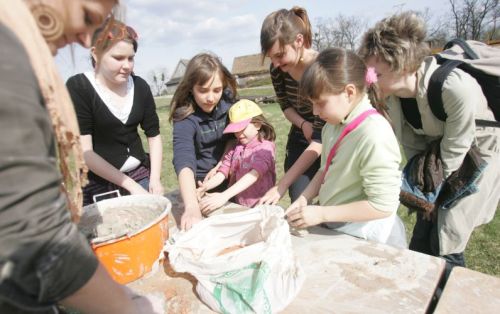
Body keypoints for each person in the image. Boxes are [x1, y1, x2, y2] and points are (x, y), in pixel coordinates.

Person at [0, 1, 160, 313]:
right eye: (87, 18)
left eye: (131, 57)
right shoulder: (9, 54)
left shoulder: (17, 46)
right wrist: (130, 307)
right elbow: (38, 238)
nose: (85, 40)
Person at [358, 12, 500, 269]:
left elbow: (457, 145)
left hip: (480, 152)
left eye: (374, 72)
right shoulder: (394, 97)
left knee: (449, 231)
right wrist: (423, 190)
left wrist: (432, 190)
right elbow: (413, 146)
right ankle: (422, 282)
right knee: (425, 227)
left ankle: (451, 292)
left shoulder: (454, 87)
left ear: (398, 63)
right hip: (443, 153)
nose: (369, 78)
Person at [285, 48, 406, 247]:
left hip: (370, 237)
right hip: (339, 227)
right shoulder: (332, 125)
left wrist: (322, 213)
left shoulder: (374, 134)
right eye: (312, 104)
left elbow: (382, 205)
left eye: (320, 103)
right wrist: (304, 198)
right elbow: (325, 169)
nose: (315, 112)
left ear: (349, 92)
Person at [66, 18, 163, 206]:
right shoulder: (80, 87)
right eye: (118, 58)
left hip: (141, 175)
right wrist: (131, 186)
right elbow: (85, 152)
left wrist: (155, 179)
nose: (127, 65)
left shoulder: (140, 86)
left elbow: (154, 136)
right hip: (98, 184)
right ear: (96, 54)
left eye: (131, 58)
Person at [258, 6, 325, 205]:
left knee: (329, 203)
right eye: (272, 58)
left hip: (330, 138)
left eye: (280, 55)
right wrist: (304, 125)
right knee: (298, 195)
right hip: (301, 135)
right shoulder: (277, 70)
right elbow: (285, 106)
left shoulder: (322, 68)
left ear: (299, 41)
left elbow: (320, 139)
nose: (276, 63)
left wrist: (280, 185)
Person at [169, 53, 237, 230]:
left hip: (231, 175)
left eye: (217, 90)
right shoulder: (184, 117)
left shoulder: (228, 102)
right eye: (203, 90)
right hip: (200, 185)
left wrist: (222, 165)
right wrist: (191, 206)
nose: (211, 98)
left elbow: (234, 138)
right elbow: (183, 159)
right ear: (191, 87)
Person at [198, 99, 276, 212]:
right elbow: (223, 171)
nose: (238, 134)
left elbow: (253, 175)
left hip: (262, 207)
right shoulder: (237, 147)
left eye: (242, 128)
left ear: (257, 125)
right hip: (240, 205)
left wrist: (224, 196)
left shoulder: (265, 148)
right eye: (235, 130)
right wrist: (205, 187)